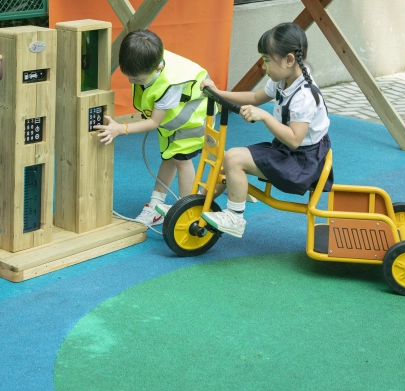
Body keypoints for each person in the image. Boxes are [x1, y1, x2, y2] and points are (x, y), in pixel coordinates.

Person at [200, 22, 333, 238]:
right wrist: (219, 93)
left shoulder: (304, 96)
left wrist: (265, 116)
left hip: (301, 163)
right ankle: (198, 202)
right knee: (227, 160)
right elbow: (254, 97)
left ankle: (235, 217)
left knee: (233, 158)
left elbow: (295, 140)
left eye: (266, 60)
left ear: (289, 60)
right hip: (287, 151)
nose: (263, 66)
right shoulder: (285, 79)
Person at [94, 29, 209, 226]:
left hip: (192, 114)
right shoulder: (147, 59)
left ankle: (188, 209)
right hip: (174, 114)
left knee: (181, 158)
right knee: (169, 155)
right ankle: (156, 204)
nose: (131, 82)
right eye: (129, 77)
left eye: (137, 79)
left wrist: (121, 129)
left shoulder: (170, 85)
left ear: (157, 68)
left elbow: (154, 122)